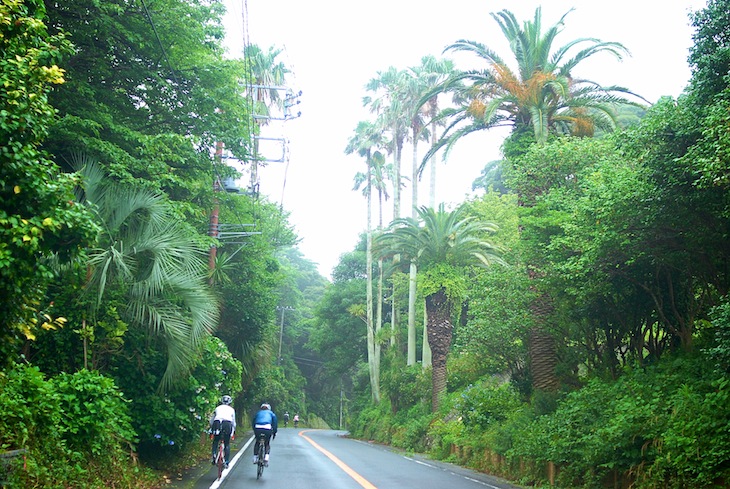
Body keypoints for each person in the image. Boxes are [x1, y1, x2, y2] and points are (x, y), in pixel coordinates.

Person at [209, 395, 236, 469]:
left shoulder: (217, 408)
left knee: (216, 440)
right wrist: (233, 432)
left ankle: (214, 455)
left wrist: (211, 428)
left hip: (217, 423)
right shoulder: (231, 409)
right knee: (227, 443)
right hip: (227, 424)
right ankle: (226, 462)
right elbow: (233, 422)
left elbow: (212, 420)